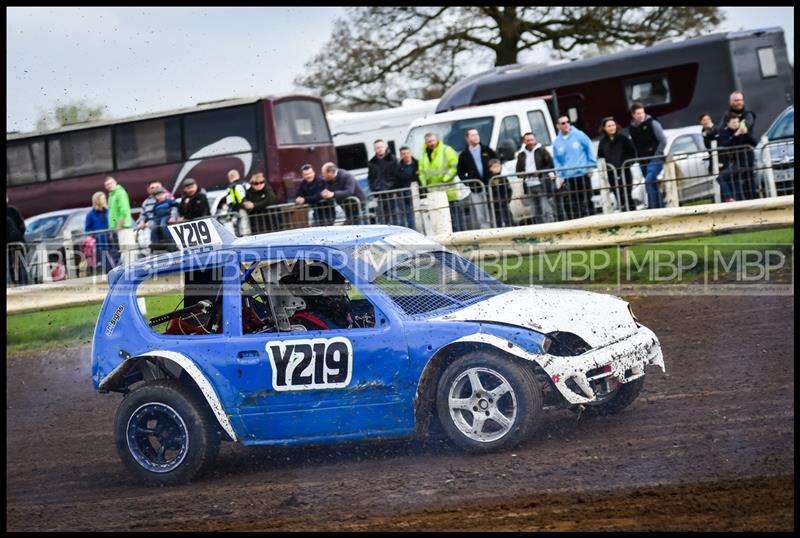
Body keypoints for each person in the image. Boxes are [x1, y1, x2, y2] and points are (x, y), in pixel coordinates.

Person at [417, 132, 466, 231]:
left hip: (449, 192)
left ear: (437, 140)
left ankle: (461, 239)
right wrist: (424, 183)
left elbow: (454, 166)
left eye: (433, 140)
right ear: (425, 143)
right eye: (429, 141)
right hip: (434, 193)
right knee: (441, 220)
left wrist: (445, 179)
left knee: (455, 217)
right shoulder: (424, 155)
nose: (431, 143)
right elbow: (421, 171)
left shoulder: (446, 150)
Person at [552, 115, 597, 219]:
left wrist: (590, 166)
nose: (566, 124)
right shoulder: (557, 142)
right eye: (563, 123)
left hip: (583, 174)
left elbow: (590, 149)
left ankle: (593, 221)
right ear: (558, 126)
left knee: (587, 200)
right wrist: (560, 174)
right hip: (568, 177)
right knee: (574, 204)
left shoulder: (579, 135)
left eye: (568, 122)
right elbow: (557, 160)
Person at [628, 103, 667, 210]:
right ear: (633, 115)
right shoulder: (631, 128)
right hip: (642, 161)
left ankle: (653, 208)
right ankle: (662, 207)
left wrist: (657, 154)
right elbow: (635, 145)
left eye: (642, 112)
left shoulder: (653, 123)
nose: (641, 115)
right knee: (652, 184)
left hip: (655, 159)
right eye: (638, 113)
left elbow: (663, 140)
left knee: (649, 181)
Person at [719, 91, 757, 199]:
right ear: (731, 102)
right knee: (734, 181)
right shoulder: (727, 115)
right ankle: (736, 202)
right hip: (733, 157)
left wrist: (741, 128)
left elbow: (747, 124)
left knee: (749, 181)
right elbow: (721, 130)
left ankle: (754, 203)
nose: (739, 102)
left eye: (740, 100)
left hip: (746, 155)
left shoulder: (748, 113)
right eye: (736, 100)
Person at [457, 128, 496, 229]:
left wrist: (494, 176)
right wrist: (468, 183)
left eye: (477, 134)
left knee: (494, 210)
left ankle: (498, 229)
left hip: (491, 186)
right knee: (481, 213)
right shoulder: (464, 155)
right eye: (473, 135)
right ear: (467, 138)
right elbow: (460, 172)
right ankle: (486, 234)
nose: (476, 137)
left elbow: (497, 162)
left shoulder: (487, 150)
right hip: (476, 188)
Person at [597, 117, 638, 211]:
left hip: (624, 171)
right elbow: (600, 157)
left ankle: (632, 213)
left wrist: (627, 164)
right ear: (604, 128)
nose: (611, 128)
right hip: (611, 173)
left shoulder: (623, 138)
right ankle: (623, 213)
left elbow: (632, 153)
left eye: (613, 125)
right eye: (609, 126)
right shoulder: (602, 142)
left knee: (627, 194)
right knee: (617, 195)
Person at [516, 131, 558, 223]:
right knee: (535, 211)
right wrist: (525, 174)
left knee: (546, 210)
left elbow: (551, 165)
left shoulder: (542, 151)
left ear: (535, 140)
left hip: (542, 184)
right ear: (524, 142)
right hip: (529, 185)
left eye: (531, 140)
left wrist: (540, 172)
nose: (530, 142)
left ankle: (551, 228)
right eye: (528, 140)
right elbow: (517, 172)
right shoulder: (521, 155)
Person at [367, 140, 400, 225]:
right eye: (377, 148)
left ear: (385, 147)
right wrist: (374, 190)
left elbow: (397, 176)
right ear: (374, 149)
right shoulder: (372, 162)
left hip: (392, 194)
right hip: (380, 195)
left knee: (396, 217)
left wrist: (395, 190)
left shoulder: (393, 159)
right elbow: (370, 178)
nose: (380, 149)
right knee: (382, 218)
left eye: (381, 147)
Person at [104, 176, 133, 264]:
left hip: (123, 227)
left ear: (115, 182)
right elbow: (112, 213)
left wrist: (118, 226)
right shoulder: (111, 196)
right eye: (107, 185)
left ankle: (130, 269)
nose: (109, 186)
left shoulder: (120, 193)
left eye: (110, 183)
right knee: (123, 251)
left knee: (128, 251)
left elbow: (124, 211)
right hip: (117, 228)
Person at [84, 191, 114, 274]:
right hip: (99, 242)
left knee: (113, 258)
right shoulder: (90, 214)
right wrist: (95, 236)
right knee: (104, 260)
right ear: (97, 201)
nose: (105, 200)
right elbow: (87, 229)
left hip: (110, 239)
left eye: (105, 199)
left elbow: (113, 222)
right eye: (102, 199)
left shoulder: (108, 211)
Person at [395, 145, 419, 229]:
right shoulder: (398, 168)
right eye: (403, 153)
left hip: (420, 195)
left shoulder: (418, 164)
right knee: (410, 217)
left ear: (410, 153)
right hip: (406, 197)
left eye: (407, 153)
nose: (406, 155)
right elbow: (396, 182)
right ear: (401, 155)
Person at [149, 186, 179, 252]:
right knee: (154, 227)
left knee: (163, 225)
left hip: (166, 216)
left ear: (165, 194)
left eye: (162, 194)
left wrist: (173, 216)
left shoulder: (169, 201)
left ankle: (171, 241)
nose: (160, 196)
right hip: (158, 218)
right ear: (155, 197)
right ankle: (155, 242)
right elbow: (154, 214)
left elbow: (175, 207)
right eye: (158, 195)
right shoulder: (156, 205)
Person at [6, 196, 28, 285]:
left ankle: (22, 284)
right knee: (14, 268)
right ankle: (18, 284)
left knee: (19, 267)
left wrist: (17, 237)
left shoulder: (13, 211)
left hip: (17, 245)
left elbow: (22, 226)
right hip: (15, 245)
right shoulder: (13, 210)